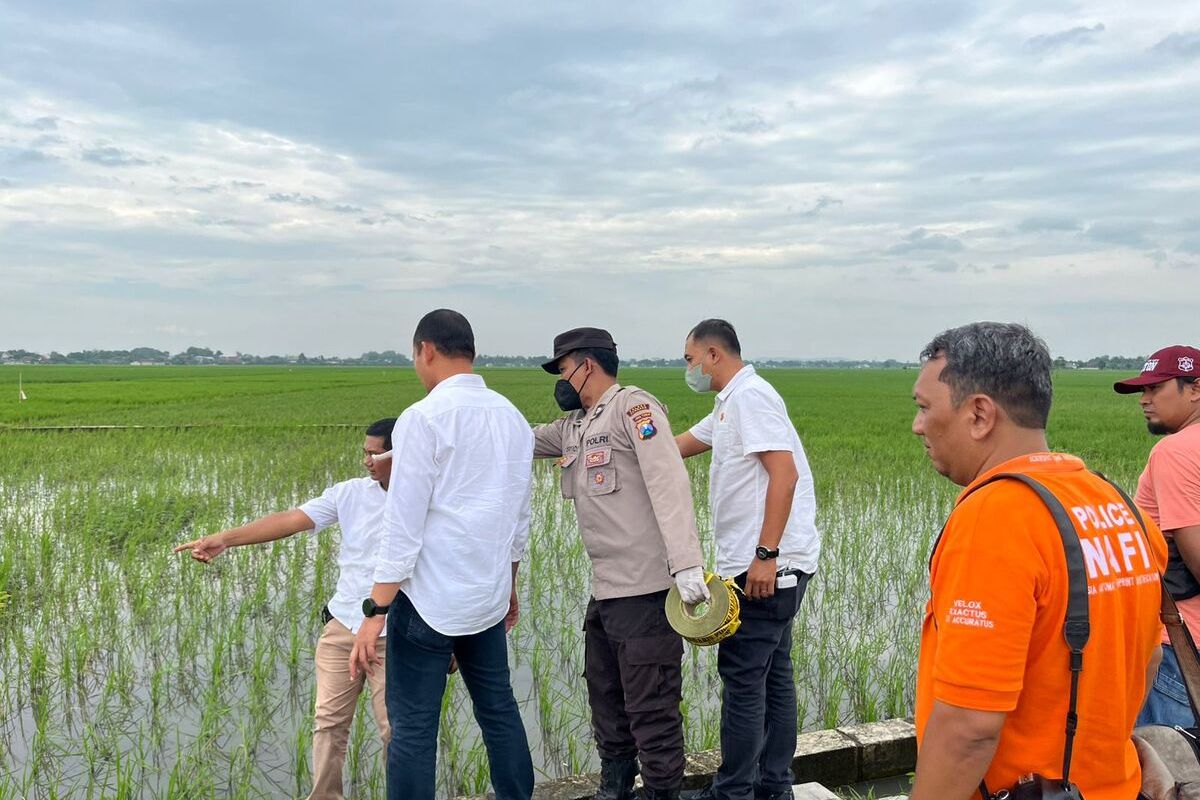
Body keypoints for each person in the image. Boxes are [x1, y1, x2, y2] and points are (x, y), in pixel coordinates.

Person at [910, 321, 1167, 800]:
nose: (918, 425)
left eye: (925, 407)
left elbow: (968, 726)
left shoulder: (995, 518)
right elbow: (1149, 655)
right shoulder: (1117, 505)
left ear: (980, 414)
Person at [348, 309, 534, 800]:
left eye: (415, 356)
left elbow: (402, 527)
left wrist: (374, 612)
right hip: (486, 601)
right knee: (499, 709)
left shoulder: (422, 418)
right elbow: (518, 520)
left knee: (413, 729)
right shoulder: (513, 418)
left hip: (428, 606)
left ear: (426, 350)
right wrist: (510, 586)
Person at [174, 419, 397, 800]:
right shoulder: (349, 494)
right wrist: (225, 540)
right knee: (328, 723)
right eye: (364, 452)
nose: (367, 461)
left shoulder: (426, 499)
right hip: (344, 624)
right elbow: (291, 520)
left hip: (393, 633)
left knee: (396, 729)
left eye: (375, 453)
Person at [532, 327, 707, 800]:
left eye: (564, 368)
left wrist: (687, 564)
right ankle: (615, 789)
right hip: (607, 593)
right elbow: (517, 439)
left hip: (647, 593)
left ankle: (662, 794)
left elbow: (668, 480)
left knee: (651, 708)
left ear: (587, 364)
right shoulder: (575, 426)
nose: (561, 380)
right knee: (606, 699)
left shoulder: (634, 409)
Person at [674, 319, 819, 800]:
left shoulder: (751, 398)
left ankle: (733, 792)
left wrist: (765, 555)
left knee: (742, 678)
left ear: (714, 354)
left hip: (767, 568)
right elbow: (677, 448)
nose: (689, 368)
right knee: (774, 675)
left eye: (691, 359)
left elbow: (785, 474)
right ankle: (773, 787)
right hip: (776, 564)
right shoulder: (728, 404)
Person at [1114, 344, 1200, 728]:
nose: (1144, 401)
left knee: (1170, 780)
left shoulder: (1175, 452)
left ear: (1195, 389)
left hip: (1179, 650)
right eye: (1142, 392)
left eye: (1155, 389)